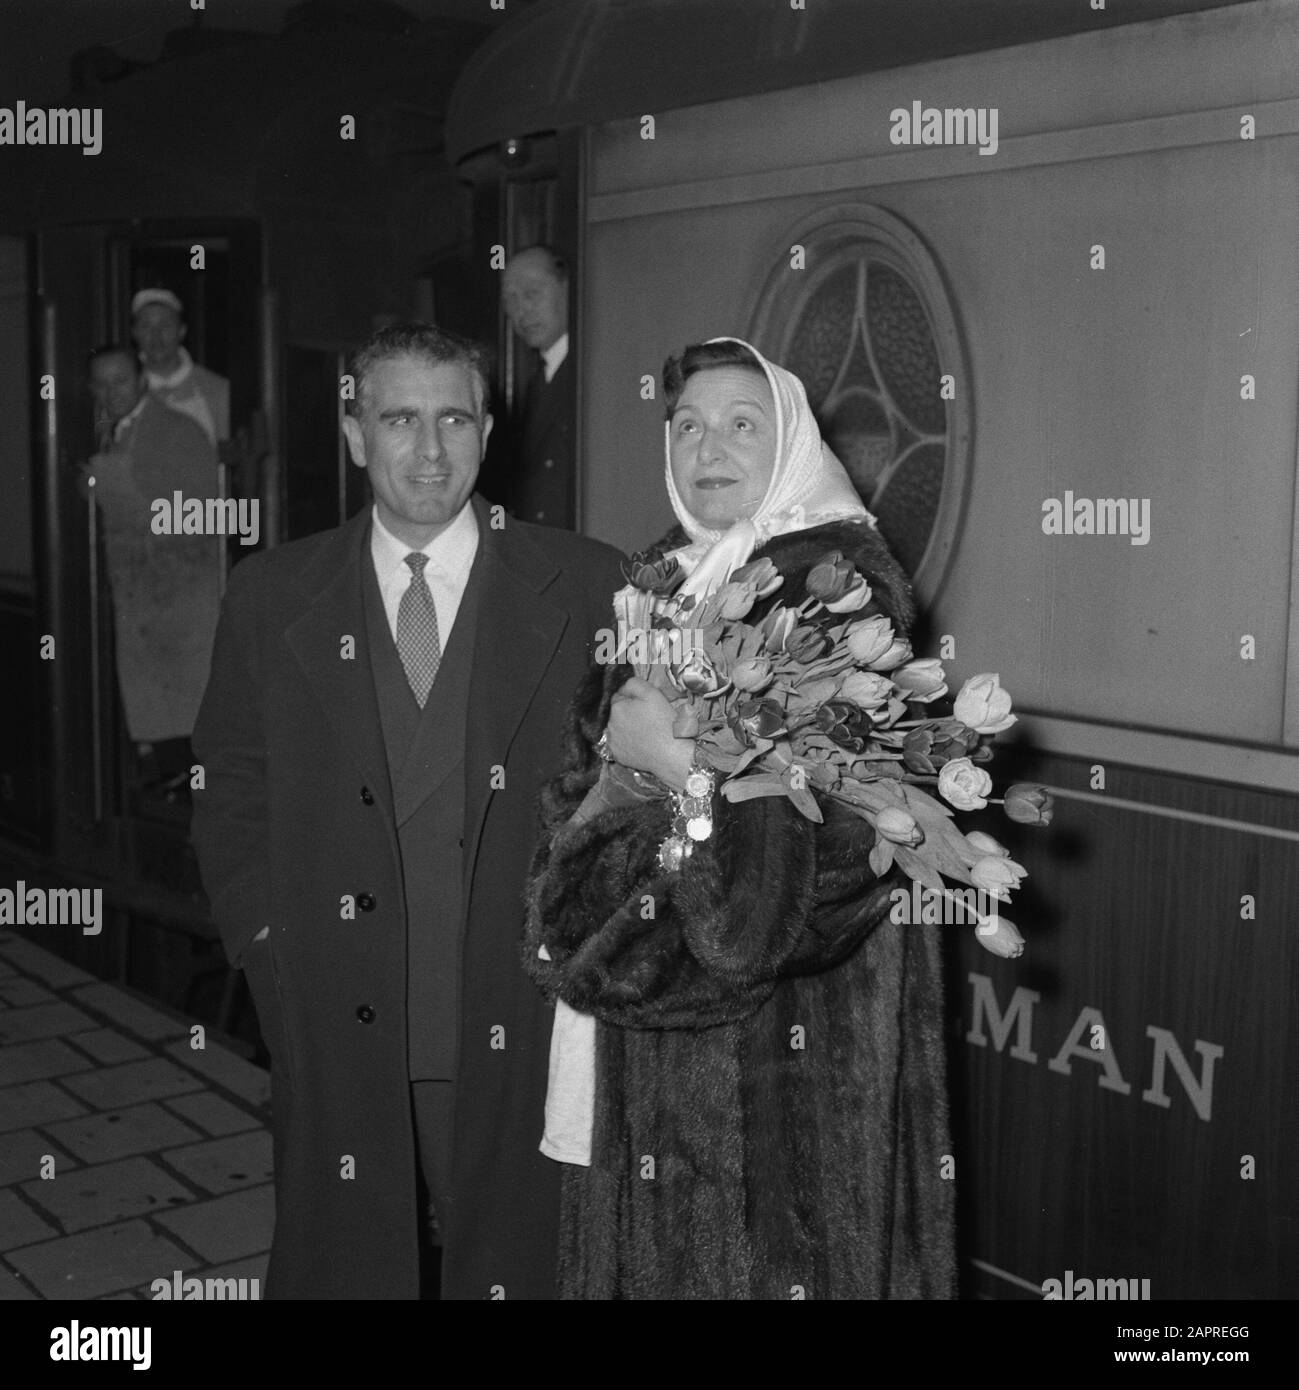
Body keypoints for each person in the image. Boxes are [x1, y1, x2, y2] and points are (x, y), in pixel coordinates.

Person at [190, 322, 625, 1300]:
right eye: (398, 419)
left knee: (526, 1265)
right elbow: (230, 781)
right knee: (349, 1260)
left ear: (487, 431)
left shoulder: (591, 583)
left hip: (522, 1017)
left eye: (454, 418)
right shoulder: (271, 594)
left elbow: (629, 798)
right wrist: (266, 939)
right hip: (342, 1015)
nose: (430, 450)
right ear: (353, 434)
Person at [525, 337, 955, 1300]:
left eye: (739, 424)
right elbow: (573, 792)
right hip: (650, 1032)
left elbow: (810, 883)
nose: (704, 446)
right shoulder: (665, 580)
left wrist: (675, 770)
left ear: (793, 447)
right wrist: (613, 813)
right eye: (685, 425)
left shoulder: (837, 592)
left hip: (782, 1061)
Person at [84, 343, 222, 792]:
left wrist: (134, 509)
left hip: (180, 598)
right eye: (100, 384)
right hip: (135, 597)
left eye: (119, 380)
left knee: (184, 715)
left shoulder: (179, 432)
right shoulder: (109, 431)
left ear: (142, 379)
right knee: (154, 714)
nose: (110, 392)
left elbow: (209, 520)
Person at [501, 245, 573, 527]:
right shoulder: (537, 378)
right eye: (511, 300)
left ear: (566, 288)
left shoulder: (588, 372)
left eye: (531, 294)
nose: (521, 311)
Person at [131, 287, 230, 447]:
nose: (156, 335)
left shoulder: (217, 390)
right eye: (146, 326)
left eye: (165, 325)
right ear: (134, 333)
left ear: (182, 331)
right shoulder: (124, 389)